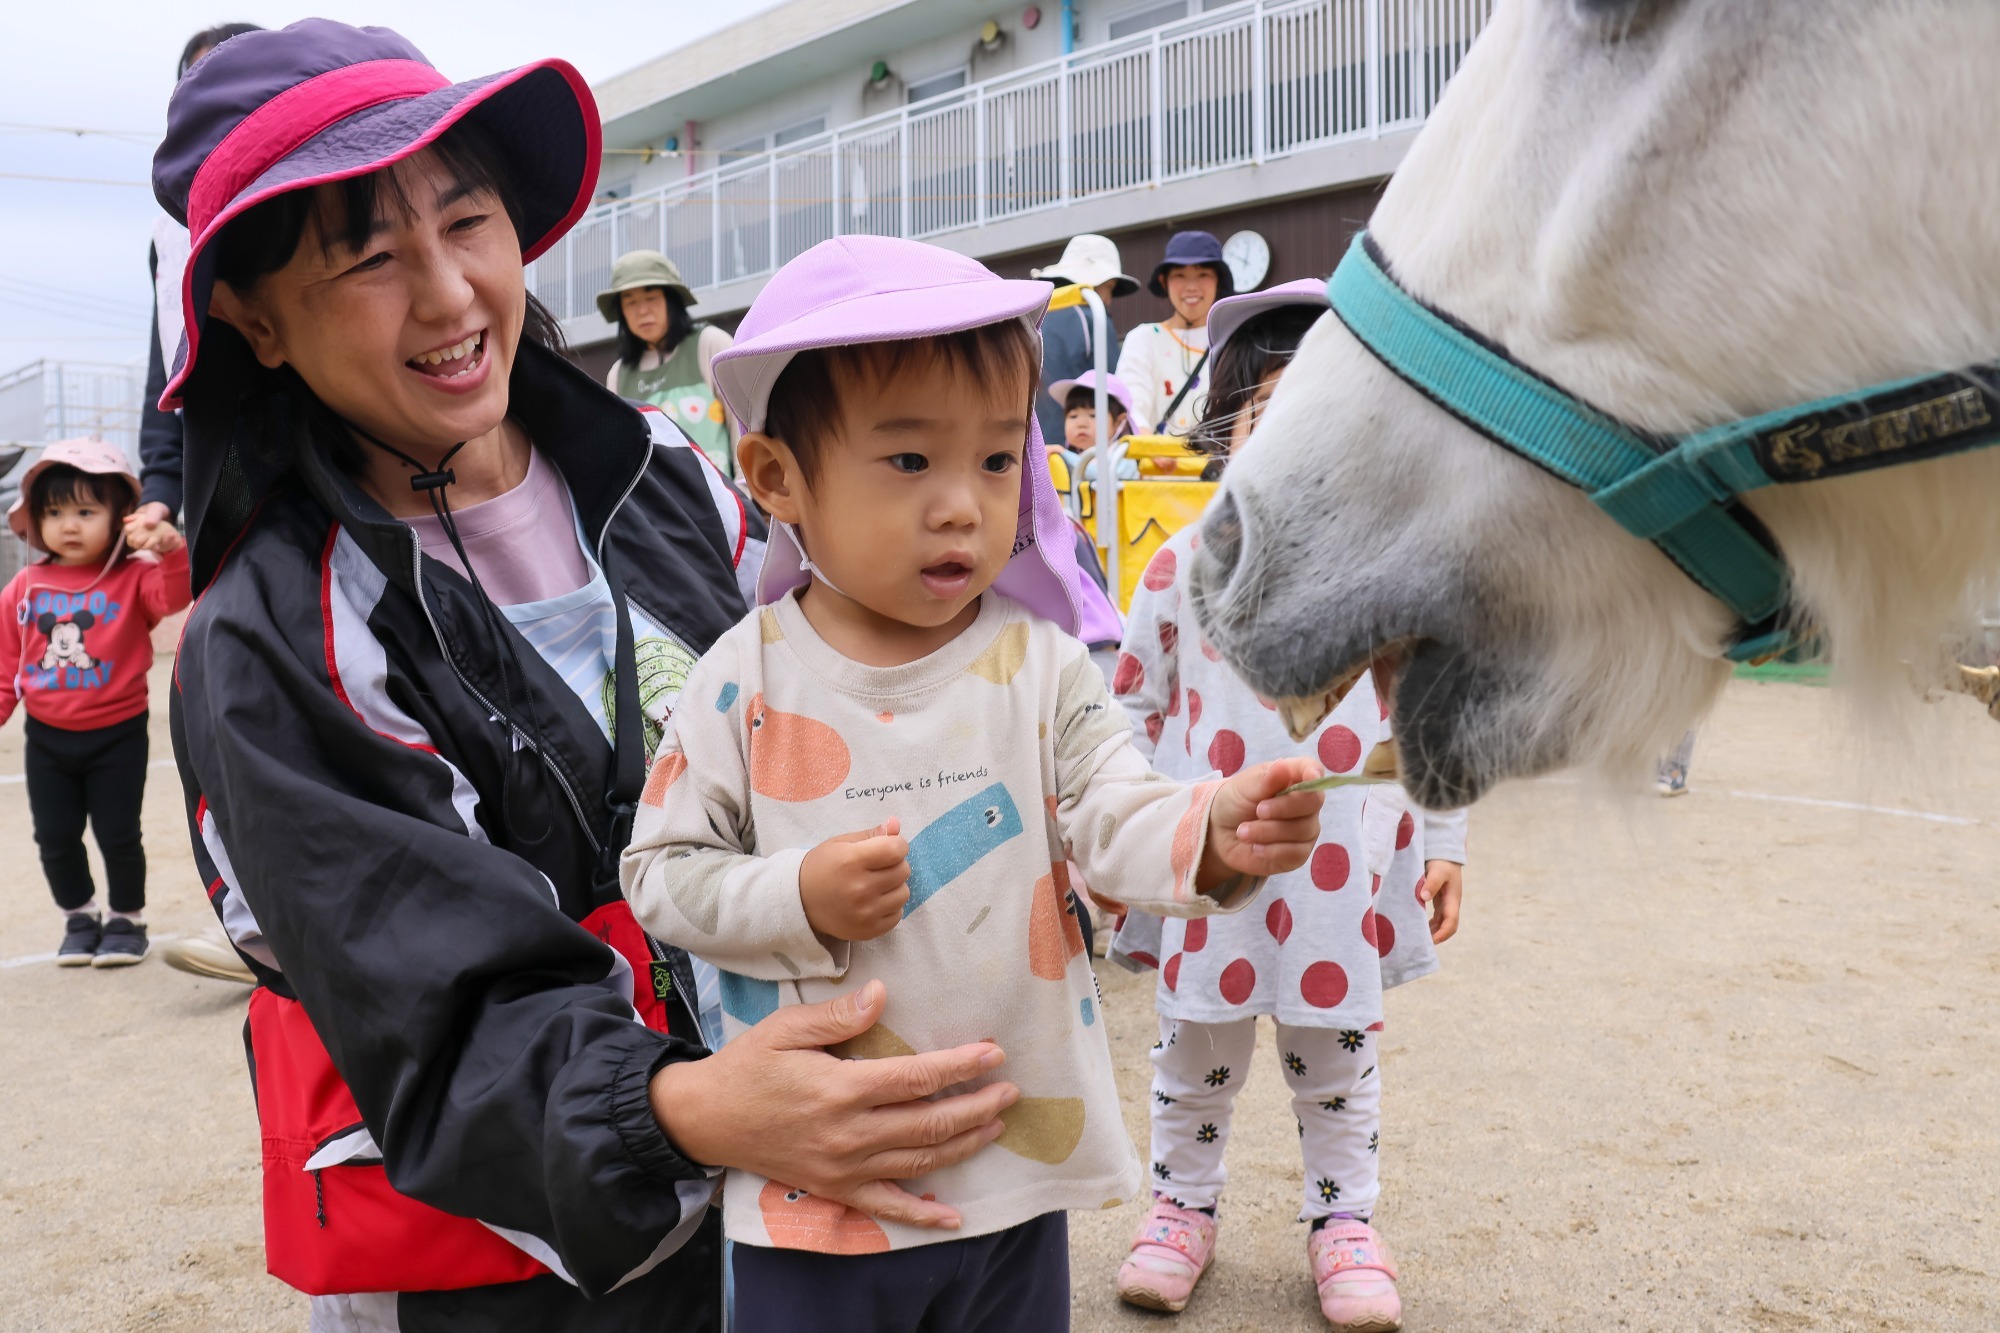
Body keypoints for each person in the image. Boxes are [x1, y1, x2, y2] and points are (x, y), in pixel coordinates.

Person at [155, 22, 1032, 1330]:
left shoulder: (671, 474)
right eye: (371, 259)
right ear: (253, 319)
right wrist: (683, 1105)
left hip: (783, 1194)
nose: (450, 295)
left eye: (468, 221)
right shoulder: (274, 643)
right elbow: (439, 1009)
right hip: (522, 1269)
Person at [620, 234, 1328, 1333]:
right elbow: (661, 871)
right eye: (909, 462)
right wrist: (794, 896)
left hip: (1009, 1168)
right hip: (822, 1191)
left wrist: (1211, 831)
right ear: (778, 478)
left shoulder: (1037, 662)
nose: (962, 505)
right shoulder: (742, 677)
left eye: (999, 460)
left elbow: (1111, 809)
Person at [1106, 280, 1468, 1330]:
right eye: (1275, 407)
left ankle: (1341, 1219)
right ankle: (1179, 1207)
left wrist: (1442, 838)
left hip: (1335, 875)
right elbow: (1127, 704)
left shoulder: (1394, 577)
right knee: (1192, 1049)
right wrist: (1120, 835)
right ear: (1231, 424)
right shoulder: (1180, 563)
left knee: (1335, 1055)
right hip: (1204, 866)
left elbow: (1431, 721)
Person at [141, 22, 266, 988]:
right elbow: (166, 380)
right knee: (219, 702)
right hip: (224, 503)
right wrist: (156, 492)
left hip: (342, 488)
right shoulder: (171, 234)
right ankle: (249, 911)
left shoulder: (330, 196)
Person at [0, 440, 191, 966]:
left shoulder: (134, 577)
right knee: (55, 837)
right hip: (46, 739)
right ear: (35, 520)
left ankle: (127, 919)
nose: (69, 525)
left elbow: (173, 598)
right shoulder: (24, 587)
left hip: (118, 735)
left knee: (118, 834)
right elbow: (5, 667)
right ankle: (79, 917)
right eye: (55, 512)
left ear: (120, 517)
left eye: (86, 511)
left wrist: (173, 551)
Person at [599, 250, 737, 476]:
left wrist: (746, 492)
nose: (642, 311)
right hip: (654, 509)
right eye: (630, 302)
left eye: (651, 298)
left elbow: (741, 423)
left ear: (672, 300)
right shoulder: (618, 374)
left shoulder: (710, 344)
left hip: (721, 500)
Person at [1115, 230, 1233, 438]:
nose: (1191, 286)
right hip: (1155, 465)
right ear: (1164, 281)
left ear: (1219, 281)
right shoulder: (1144, 338)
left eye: (1203, 274)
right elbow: (1130, 402)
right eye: (1179, 275)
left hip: (1218, 467)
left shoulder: (1233, 340)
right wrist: (1147, 445)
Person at [1030, 234, 1137, 446]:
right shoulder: (1092, 315)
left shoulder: (1033, 316)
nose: (1108, 299)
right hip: (1075, 449)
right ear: (1102, 283)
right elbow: (1112, 387)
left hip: (1029, 446)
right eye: (1110, 289)